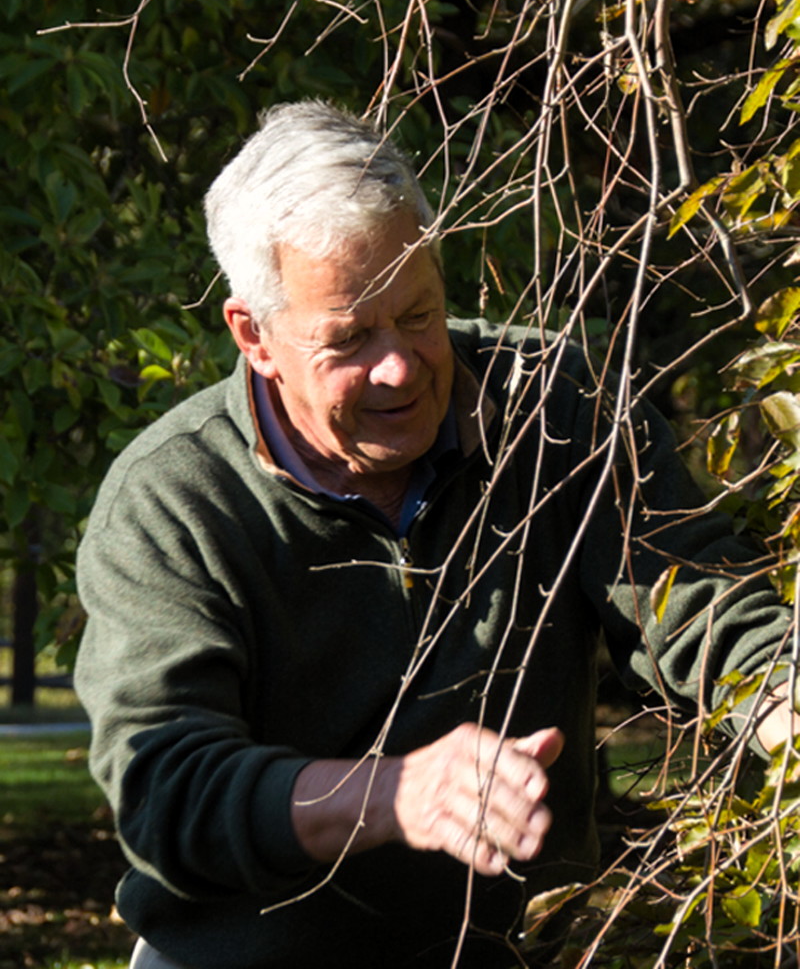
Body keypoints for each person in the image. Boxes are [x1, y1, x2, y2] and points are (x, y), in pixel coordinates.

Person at [75, 100, 798, 969]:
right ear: (255, 336)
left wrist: (782, 695)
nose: (400, 364)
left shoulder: (554, 407)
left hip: (512, 950)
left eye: (418, 313)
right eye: (348, 338)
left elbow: (695, 601)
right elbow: (167, 790)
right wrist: (395, 795)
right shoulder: (174, 501)